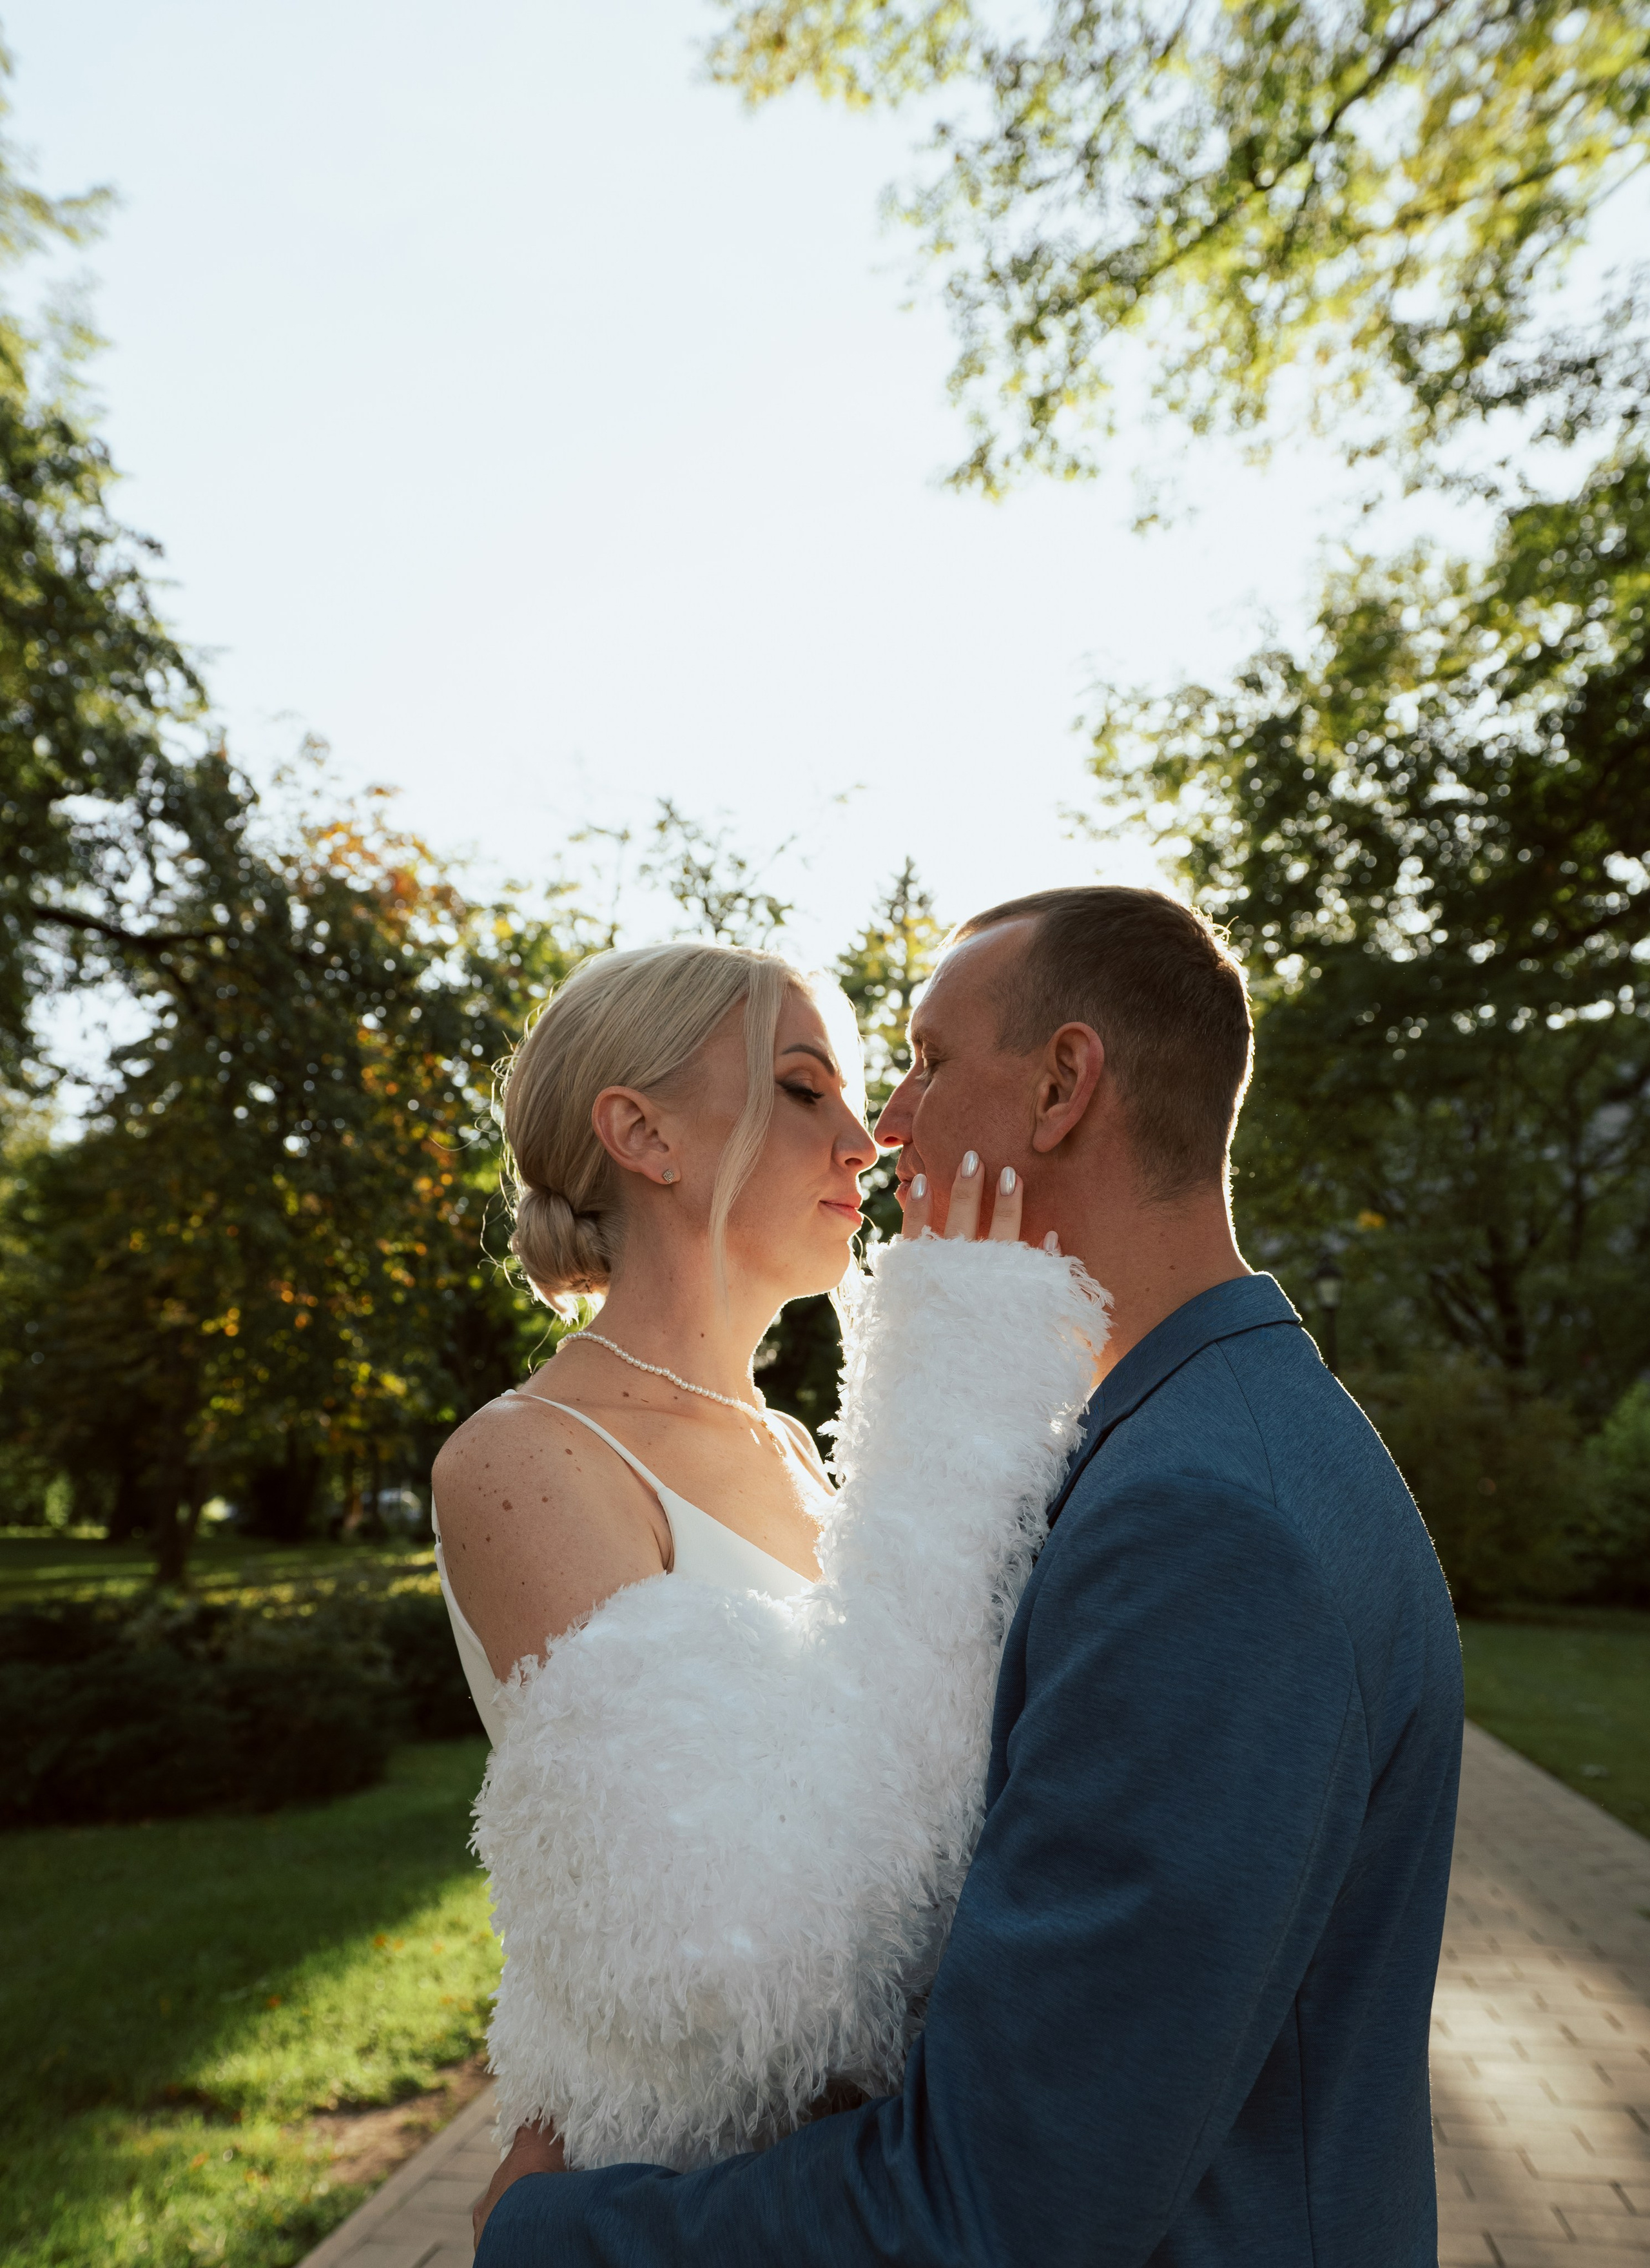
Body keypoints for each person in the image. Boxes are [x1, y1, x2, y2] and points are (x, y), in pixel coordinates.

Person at [472, 885, 1464, 2267]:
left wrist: (551, 2235)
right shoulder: (1191, 1443)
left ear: (1061, 1084)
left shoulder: (1199, 1514)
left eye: (926, 1061)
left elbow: (1000, 2205)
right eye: (821, 1083)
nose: (886, 1125)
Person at [432, 937, 1100, 2186]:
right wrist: (961, 1394)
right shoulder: (523, 1461)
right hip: (675, 2213)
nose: (866, 1139)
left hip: (859, 2195)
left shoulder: (799, 1447)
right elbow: (731, 1960)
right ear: (644, 1133)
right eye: (804, 1088)